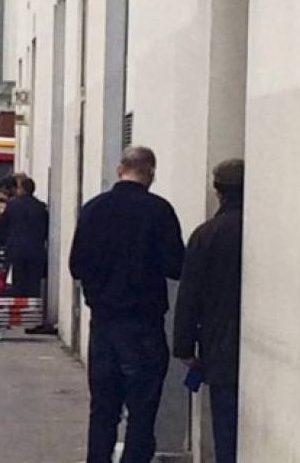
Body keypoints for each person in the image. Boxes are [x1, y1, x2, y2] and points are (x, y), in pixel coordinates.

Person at [69, 147, 185, 463]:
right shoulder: (159, 211)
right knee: (142, 409)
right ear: (151, 172)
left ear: (120, 169)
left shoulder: (94, 209)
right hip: (144, 323)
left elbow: (77, 265)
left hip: (104, 322)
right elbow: (176, 264)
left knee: (103, 407)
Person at [173, 159, 244, 463]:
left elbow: (190, 294)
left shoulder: (207, 234)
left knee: (226, 426)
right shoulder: (268, 231)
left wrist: (184, 346)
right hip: (251, 342)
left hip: (220, 344)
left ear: (218, 191)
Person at [0, 177, 48, 297]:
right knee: (33, 285)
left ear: (22, 189)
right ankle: (33, 310)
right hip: (36, 251)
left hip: (17, 251)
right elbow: (46, 229)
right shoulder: (41, 207)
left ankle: (20, 310)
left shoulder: (12, 205)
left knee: (18, 284)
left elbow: (3, 226)